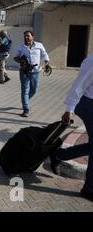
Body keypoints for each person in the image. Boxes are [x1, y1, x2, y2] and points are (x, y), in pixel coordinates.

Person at [50, 54, 93, 202]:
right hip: (88, 105)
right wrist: (70, 108)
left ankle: (58, 154)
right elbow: (79, 85)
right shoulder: (92, 61)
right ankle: (89, 188)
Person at [13, 30, 50, 117]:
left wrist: (47, 63)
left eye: (28, 36)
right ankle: (26, 109)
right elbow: (15, 57)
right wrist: (21, 61)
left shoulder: (39, 45)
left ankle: (25, 100)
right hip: (24, 71)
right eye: (25, 36)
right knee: (25, 89)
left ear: (32, 37)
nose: (26, 38)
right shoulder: (20, 46)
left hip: (35, 71)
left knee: (34, 90)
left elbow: (44, 54)